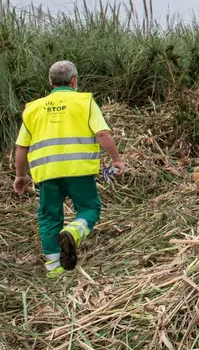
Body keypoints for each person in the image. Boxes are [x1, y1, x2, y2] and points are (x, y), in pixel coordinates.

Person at [13, 60, 124, 278]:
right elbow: (102, 134)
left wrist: (20, 175)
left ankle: (54, 269)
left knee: (48, 216)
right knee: (90, 208)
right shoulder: (85, 102)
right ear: (74, 81)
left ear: (50, 82)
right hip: (79, 170)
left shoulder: (32, 108)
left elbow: (21, 147)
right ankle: (73, 232)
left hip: (46, 173)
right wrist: (116, 160)